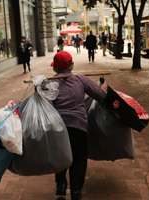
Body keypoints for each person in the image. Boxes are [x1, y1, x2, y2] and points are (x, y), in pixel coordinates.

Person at [49, 51, 107, 200]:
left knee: (60, 156)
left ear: (55, 67)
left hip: (58, 129)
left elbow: (46, 106)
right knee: (78, 159)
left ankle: (61, 183)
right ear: (71, 65)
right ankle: (76, 191)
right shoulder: (80, 79)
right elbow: (100, 95)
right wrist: (103, 86)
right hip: (78, 127)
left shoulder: (49, 83)